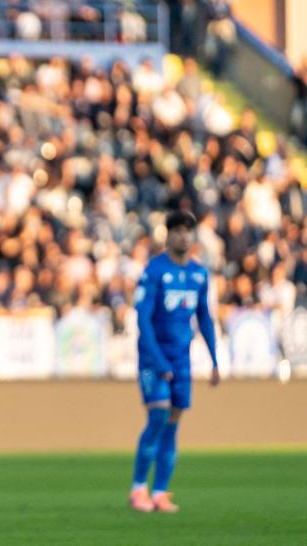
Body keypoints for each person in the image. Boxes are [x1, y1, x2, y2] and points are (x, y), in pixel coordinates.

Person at [128, 210, 221, 513]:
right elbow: (143, 318)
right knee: (158, 416)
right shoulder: (154, 271)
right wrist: (158, 360)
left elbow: (204, 318)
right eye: (177, 230)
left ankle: (160, 492)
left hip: (181, 359)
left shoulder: (199, 274)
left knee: (172, 424)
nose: (183, 235)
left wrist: (214, 359)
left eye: (187, 230)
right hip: (154, 358)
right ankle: (138, 488)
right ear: (167, 236)